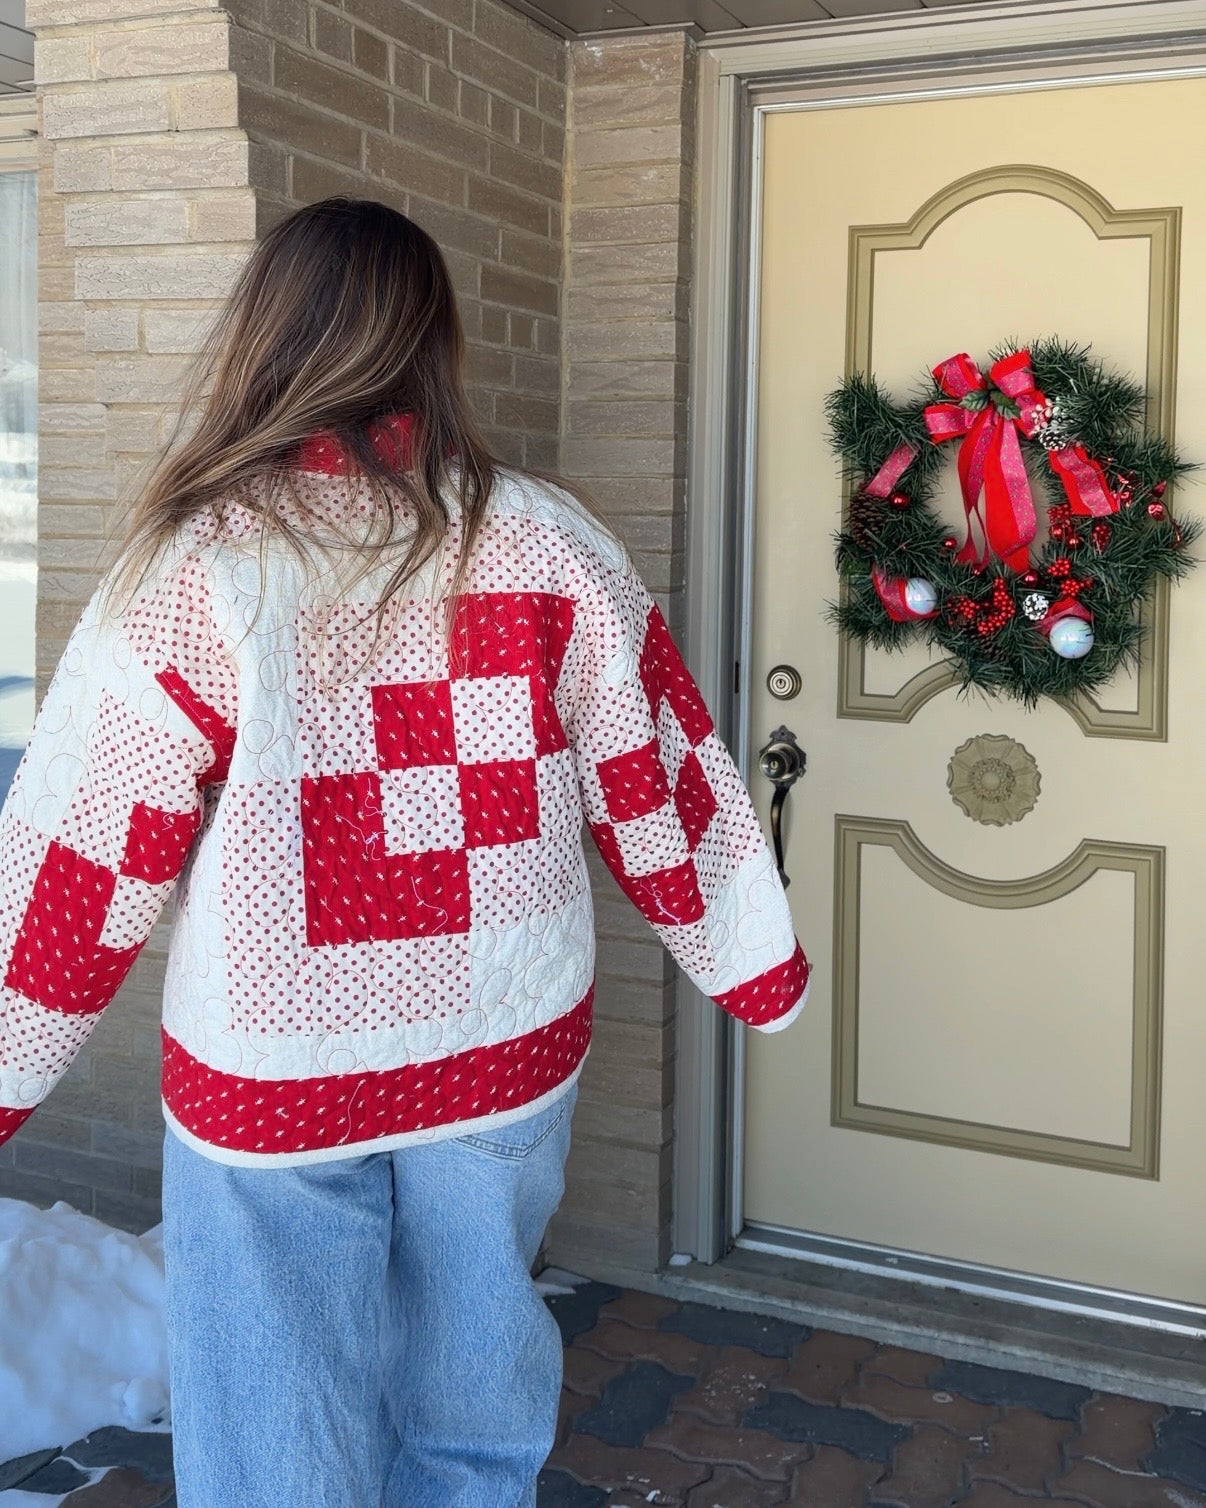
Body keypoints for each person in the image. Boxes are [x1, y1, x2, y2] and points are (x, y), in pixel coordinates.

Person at [0, 198, 809, 1507]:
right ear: (438, 342)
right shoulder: (551, 540)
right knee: (473, 1396)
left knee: (273, 1432)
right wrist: (748, 961)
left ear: (261, 335)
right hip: (502, 1043)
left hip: (275, 1067)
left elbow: (83, 848)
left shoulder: (199, 560)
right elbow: (656, 773)